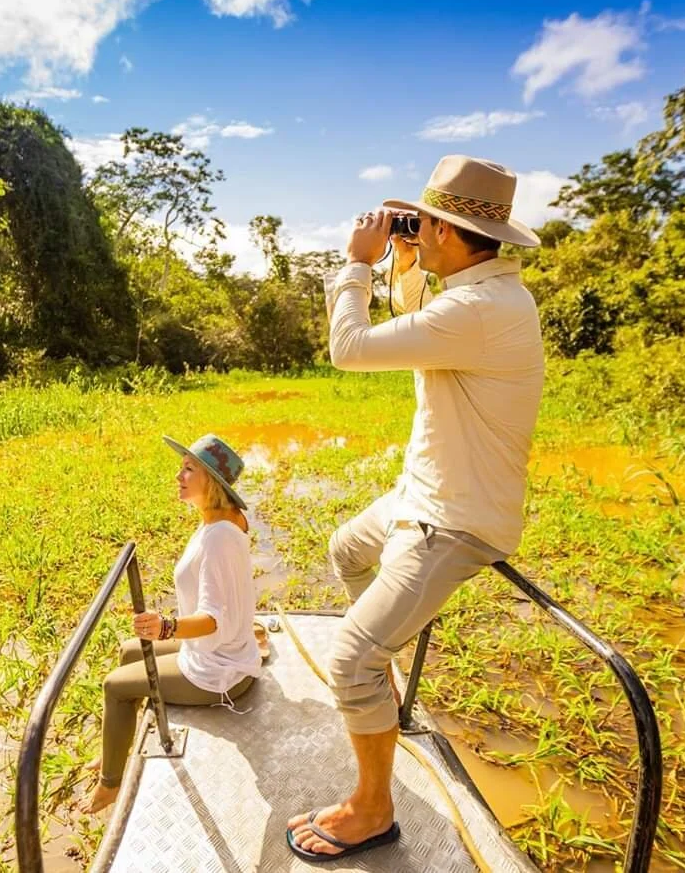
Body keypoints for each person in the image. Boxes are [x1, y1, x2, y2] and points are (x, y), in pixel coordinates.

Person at [286, 155, 545, 861]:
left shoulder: (478, 309)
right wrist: (405, 259)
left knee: (350, 661)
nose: (415, 230)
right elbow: (413, 316)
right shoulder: (477, 291)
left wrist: (358, 265)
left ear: (452, 232)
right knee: (346, 549)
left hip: (456, 518)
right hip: (423, 490)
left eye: (423, 223)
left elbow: (350, 347)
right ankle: (385, 666)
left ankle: (372, 809)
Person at [83, 434, 262, 814]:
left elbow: (215, 620)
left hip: (220, 670)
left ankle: (110, 785)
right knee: (129, 650)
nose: (177, 475)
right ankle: (118, 745)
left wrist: (165, 627)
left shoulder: (218, 539)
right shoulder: (218, 521)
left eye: (188, 469)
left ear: (211, 482)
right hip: (218, 651)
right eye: (181, 466)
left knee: (115, 687)